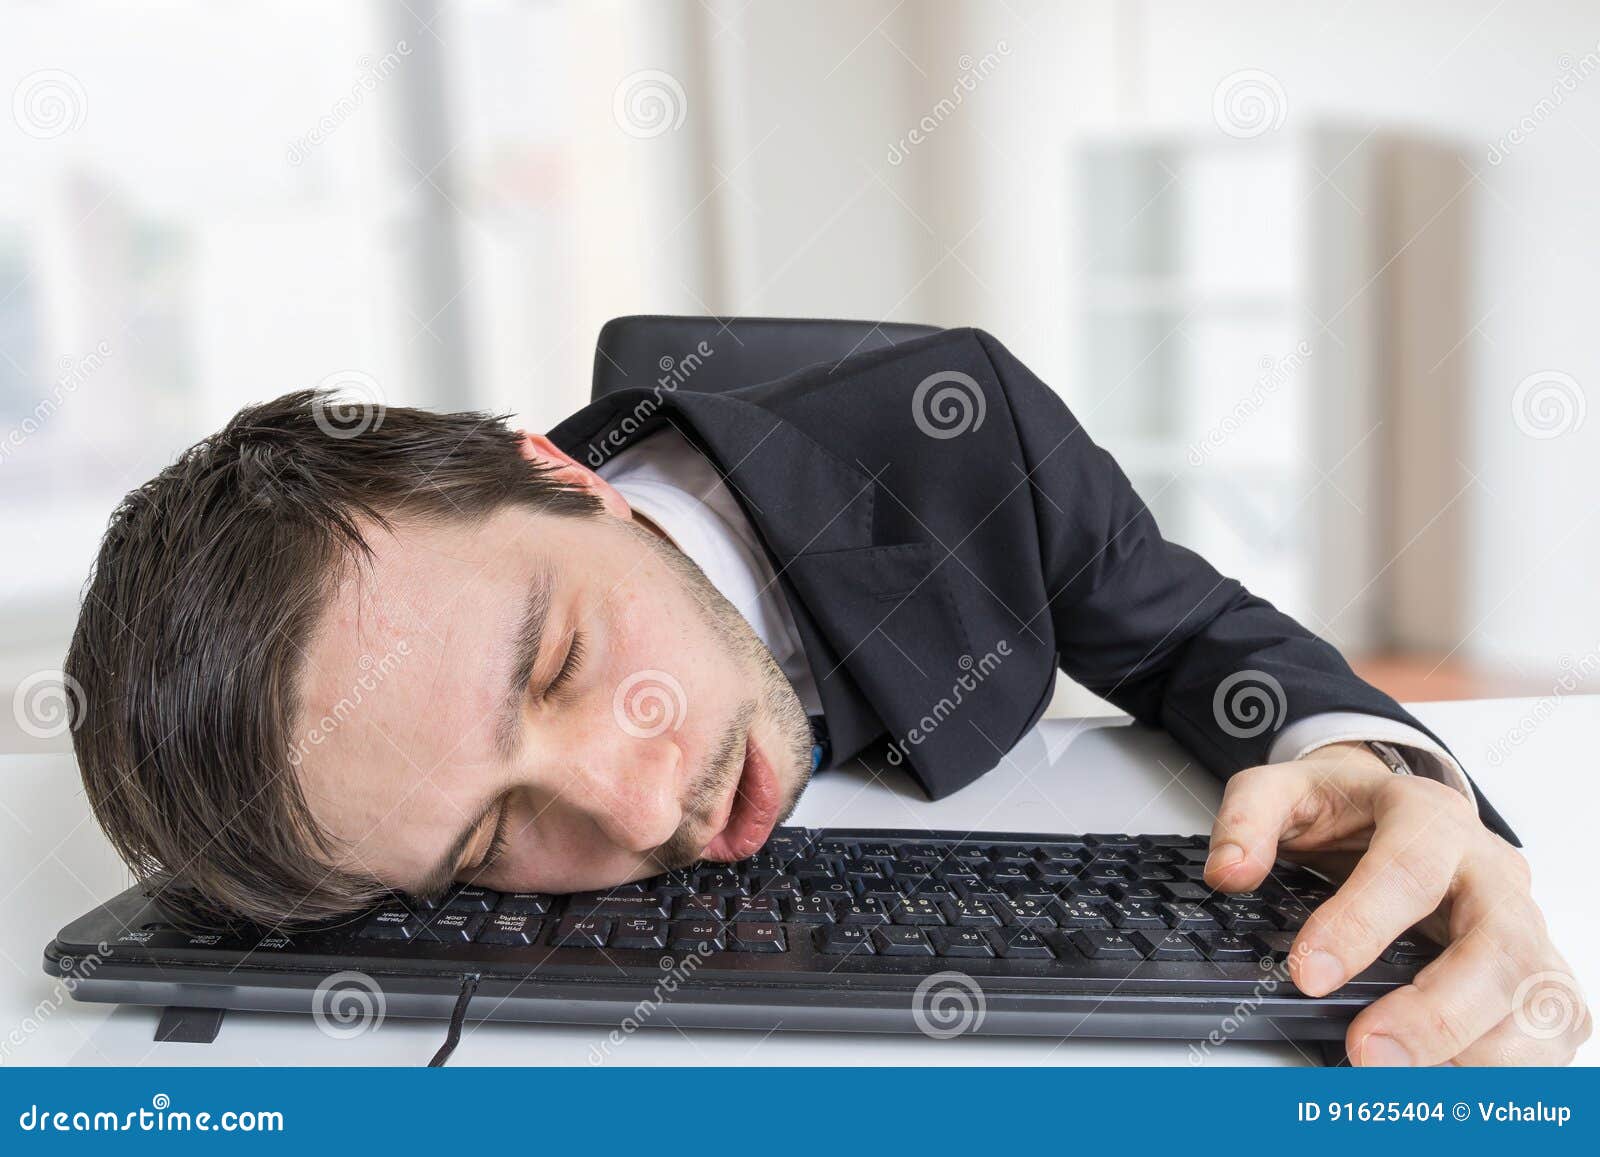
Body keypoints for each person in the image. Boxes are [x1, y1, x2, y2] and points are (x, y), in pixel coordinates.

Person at [64, 326, 1586, 1065]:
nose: (629, 795)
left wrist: (1392, 770)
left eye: (559, 663)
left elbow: (1202, 640)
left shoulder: (966, 439)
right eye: (487, 839)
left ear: (558, 475)